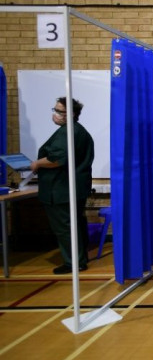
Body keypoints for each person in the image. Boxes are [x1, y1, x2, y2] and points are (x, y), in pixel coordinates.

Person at [30, 97, 95, 274]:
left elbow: (57, 159)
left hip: (62, 189)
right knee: (75, 224)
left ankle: (73, 262)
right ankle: (79, 259)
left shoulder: (69, 132)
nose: (56, 114)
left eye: (59, 111)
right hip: (72, 188)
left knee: (65, 227)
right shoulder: (76, 131)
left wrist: (37, 164)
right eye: (55, 110)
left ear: (71, 114)